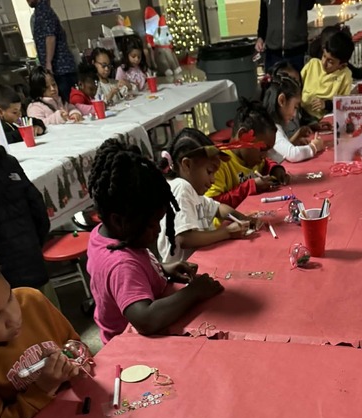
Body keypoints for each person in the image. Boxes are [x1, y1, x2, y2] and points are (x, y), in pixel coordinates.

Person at [86, 138, 223, 343]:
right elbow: (146, 319)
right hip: (130, 349)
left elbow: (130, 276)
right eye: (151, 225)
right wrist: (193, 292)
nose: (158, 229)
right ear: (119, 221)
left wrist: (162, 269)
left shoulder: (106, 234)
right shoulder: (120, 263)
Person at [0, 243, 81, 418]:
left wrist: (78, 361)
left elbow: (76, 345)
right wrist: (41, 389)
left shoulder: (31, 300)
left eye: (9, 298)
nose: (14, 318)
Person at [157, 129, 257, 267]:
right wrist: (227, 232)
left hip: (198, 265)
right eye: (209, 172)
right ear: (187, 165)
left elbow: (219, 208)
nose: (213, 180)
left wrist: (245, 219)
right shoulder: (181, 188)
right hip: (183, 275)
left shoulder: (193, 191)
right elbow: (185, 238)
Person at [0, 137, 57, 304]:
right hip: (32, 260)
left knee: (18, 325)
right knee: (52, 321)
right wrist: (33, 244)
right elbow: (39, 211)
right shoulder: (7, 161)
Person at [205, 99, 289, 208]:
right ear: (243, 135)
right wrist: (250, 187)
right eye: (262, 149)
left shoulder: (254, 158)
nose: (265, 155)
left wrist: (275, 169)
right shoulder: (218, 163)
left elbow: (266, 163)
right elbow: (211, 205)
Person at [263, 73, 325, 162]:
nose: (295, 114)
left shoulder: (271, 125)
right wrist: (314, 146)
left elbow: (278, 152)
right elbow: (293, 154)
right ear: (282, 100)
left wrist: (293, 142)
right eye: (295, 107)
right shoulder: (271, 129)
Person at [26, 0, 77, 101]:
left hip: (60, 69)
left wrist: (48, 63)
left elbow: (50, 37)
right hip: (62, 68)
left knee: (67, 101)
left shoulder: (44, 11)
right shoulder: (42, 11)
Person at [300, 29, 354, 118]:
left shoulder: (345, 75)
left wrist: (326, 104)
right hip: (302, 115)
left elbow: (344, 103)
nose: (324, 63)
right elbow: (295, 87)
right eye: (324, 56)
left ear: (342, 65)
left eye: (330, 61)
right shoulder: (312, 64)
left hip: (324, 118)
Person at [256, 0, 315, 72]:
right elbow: (264, 16)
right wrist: (260, 37)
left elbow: (309, 5)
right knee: (273, 82)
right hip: (272, 53)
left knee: (298, 82)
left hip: (297, 52)